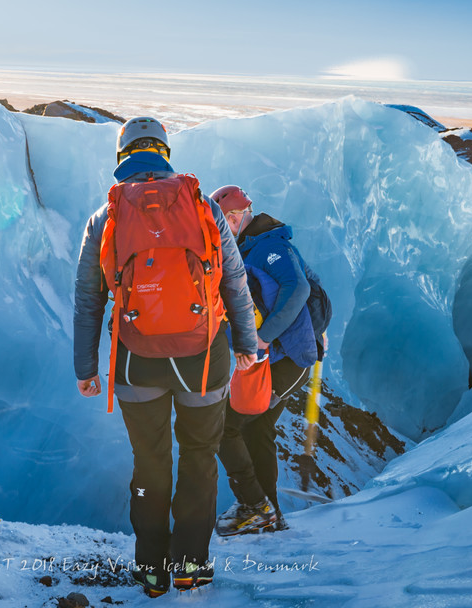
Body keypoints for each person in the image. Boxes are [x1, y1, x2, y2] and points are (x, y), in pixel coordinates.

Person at [73, 118, 258, 597]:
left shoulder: (105, 217)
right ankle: (191, 566)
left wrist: (86, 367)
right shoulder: (203, 208)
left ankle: (151, 570)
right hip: (204, 358)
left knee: (149, 464)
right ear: (164, 153)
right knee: (199, 458)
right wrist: (245, 344)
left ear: (124, 156)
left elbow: (88, 297)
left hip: (137, 360)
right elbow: (233, 279)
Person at [210, 185, 318, 536]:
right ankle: (268, 514)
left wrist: (262, 336)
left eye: (224, 222)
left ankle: (255, 506)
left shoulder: (270, 245)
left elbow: (298, 288)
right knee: (257, 429)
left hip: (288, 358)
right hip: (277, 359)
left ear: (237, 216)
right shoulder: (251, 247)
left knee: (224, 427)